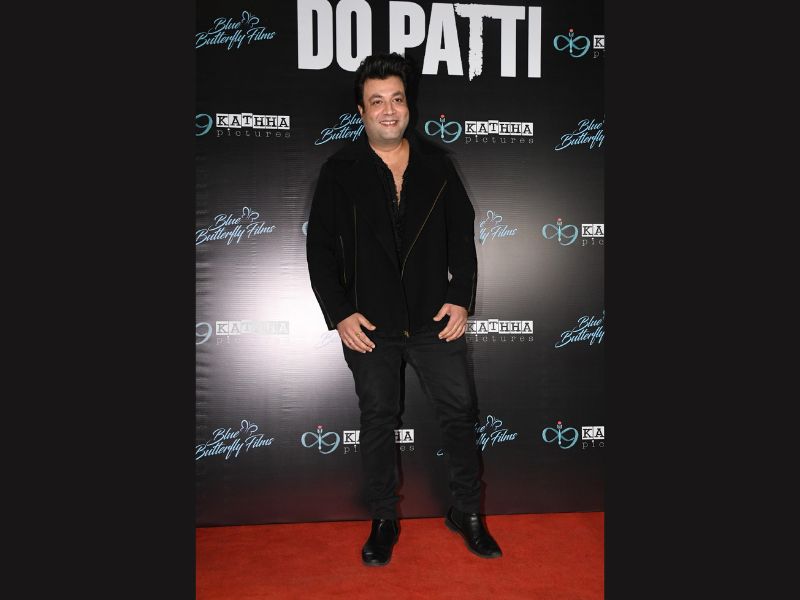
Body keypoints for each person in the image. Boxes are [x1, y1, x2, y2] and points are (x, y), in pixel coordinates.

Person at [306, 52, 501, 566]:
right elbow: (319, 249)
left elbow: (462, 237)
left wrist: (461, 297)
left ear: (407, 104)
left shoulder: (438, 165)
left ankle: (467, 512)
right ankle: (383, 519)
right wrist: (340, 313)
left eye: (396, 99)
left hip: (435, 321)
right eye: (377, 101)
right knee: (377, 418)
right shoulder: (339, 171)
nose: (389, 110)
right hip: (370, 324)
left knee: (459, 414)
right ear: (361, 111)